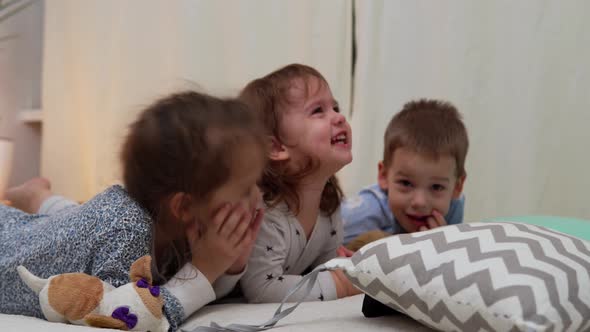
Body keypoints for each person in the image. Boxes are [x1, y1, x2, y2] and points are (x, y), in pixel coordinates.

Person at [0, 91, 267, 331]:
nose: (258, 195)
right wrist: (206, 269)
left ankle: (39, 197)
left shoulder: (179, 223)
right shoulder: (129, 231)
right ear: (184, 206)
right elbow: (130, 318)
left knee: (78, 225)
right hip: (7, 244)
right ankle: (39, 197)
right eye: (245, 189)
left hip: (57, 231)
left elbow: (194, 291)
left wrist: (230, 265)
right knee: (85, 226)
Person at [238, 64, 361, 303]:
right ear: (276, 147)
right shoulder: (266, 213)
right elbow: (262, 287)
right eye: (318, 111)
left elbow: (324, 267)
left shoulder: (328, 203)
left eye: (335, 107)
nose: (339, 116)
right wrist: (342, 285)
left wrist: (342, 266)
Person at [342, 99, 468, 250]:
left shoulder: (453, 208)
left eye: (436, 187)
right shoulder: (361, 216)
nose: (420, 202)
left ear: (457, 187)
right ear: (384, 175)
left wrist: (442, 246)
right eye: (406, 183)